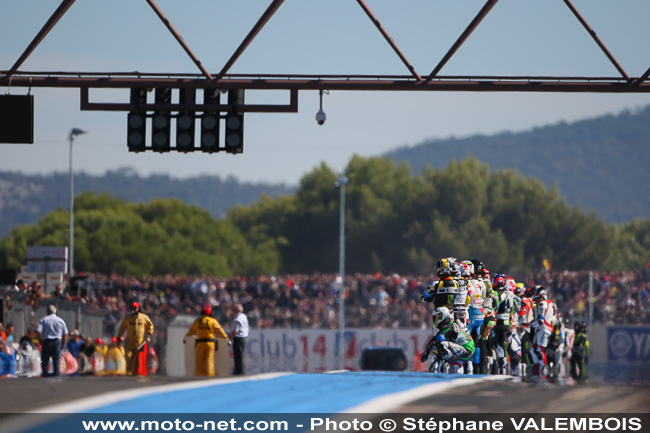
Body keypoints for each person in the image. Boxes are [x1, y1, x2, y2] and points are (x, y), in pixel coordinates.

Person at [420, 307, 475, 374]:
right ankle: (451, 364)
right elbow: (435, 339)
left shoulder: (450, 326)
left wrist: (426, 353)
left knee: (442, 345)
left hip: (467, 351)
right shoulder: (451, 323)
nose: (435, 319)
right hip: (466, 349)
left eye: (436, 317)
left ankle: (456, 364)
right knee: (442, 344)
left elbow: (436, 340)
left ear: (442, 315)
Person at [184, 306, 230, 376]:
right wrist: (227, 339)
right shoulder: (213, 321)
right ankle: (209, 377)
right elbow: (220, 331)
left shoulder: (197, 321)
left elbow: (191, 331)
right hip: (210, 344)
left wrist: (186, 338)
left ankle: (199, 377)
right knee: (209, 361)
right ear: (210, 314)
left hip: (199, 344)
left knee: (199, 362)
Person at [116, 302, 154, 375]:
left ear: (138, 308)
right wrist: (118, 337)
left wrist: (148, 335)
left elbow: (150, 326)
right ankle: (129, 371)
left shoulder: (144, 317)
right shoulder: (127, 318)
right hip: (130, 341)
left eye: (135, 308)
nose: (134, 309)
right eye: (132, 308)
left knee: (138, 358)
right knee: (128, 356)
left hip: (140, 341)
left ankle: (137, 372)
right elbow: (122, 328)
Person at [36, 304, 68, 377]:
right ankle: (56, 376)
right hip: (57, 342)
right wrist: (62, 345)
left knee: (45, 362)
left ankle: (45, 375)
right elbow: (65, 334)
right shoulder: (60, 320)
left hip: (46, 341)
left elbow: (38, 331)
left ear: (47, 312)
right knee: (56, 362)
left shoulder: (44, 320)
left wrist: (40, 340)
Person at [230, 303, 249, 375]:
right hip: (242, 338)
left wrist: (230, 338)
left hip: (238, 338)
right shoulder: (243, 316)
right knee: (239, 355)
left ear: (236, 310)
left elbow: (235, 331)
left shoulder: (238, 319)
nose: (232, 311)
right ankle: (239, 370)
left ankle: (239, 371)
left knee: (238, 355)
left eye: (233, 310)